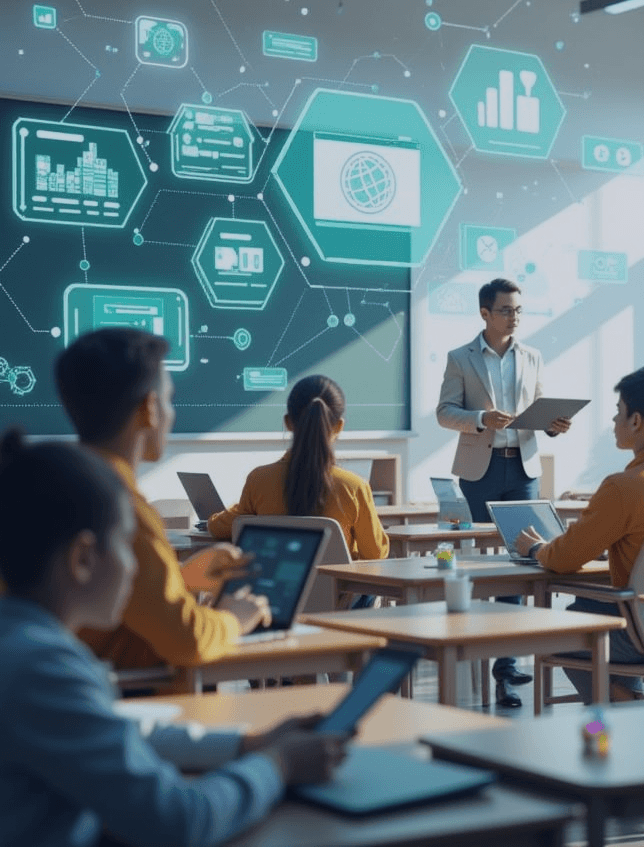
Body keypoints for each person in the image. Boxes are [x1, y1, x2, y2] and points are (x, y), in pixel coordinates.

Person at [0, 428, 346, 847]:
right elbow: (181, 820)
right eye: (127, 547)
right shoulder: (43, 668)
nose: (135, 568)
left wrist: (250, 743)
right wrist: (279, 765)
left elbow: (122, 731)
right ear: (83, 559)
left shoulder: (25, 641)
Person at [55, 327, 273, 673]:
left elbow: (117, 607)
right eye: (169, 399)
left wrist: (183, 577)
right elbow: (188, 641)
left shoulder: (54, 484)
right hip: (127, 699)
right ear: (150, 407)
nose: (172, 414)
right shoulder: (122, 507)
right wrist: (234, 618)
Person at [516, 366, 644, 704]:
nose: (613, 421)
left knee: (564, 625)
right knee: (588, 604)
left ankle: (627, 707)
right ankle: (628, 704)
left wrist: (536, 547)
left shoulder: (624, 487)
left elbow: (562, 559)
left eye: (618, 412)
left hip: (641, 634)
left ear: (636, 421)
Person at [436, 277, 571, 707]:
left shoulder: (532, 356)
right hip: (481, 468)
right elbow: (444, 412)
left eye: (518, 310)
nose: (514, 317)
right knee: (482, 562)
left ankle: (507, 664)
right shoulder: (461, 358)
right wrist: (481, 418)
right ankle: (479, 646)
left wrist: (554, 424)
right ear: (484, 314)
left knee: (522, 557)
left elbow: (540, 408)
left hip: (525, 468)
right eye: (506, 310)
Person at [207, 375, 390, 595]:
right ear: (339, 426)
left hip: (274, 601)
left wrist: (214, 519)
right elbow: (376, 554)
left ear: (288, 422)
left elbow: (218, 528)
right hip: (337, 604)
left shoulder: (259, 479)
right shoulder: (353, 487)